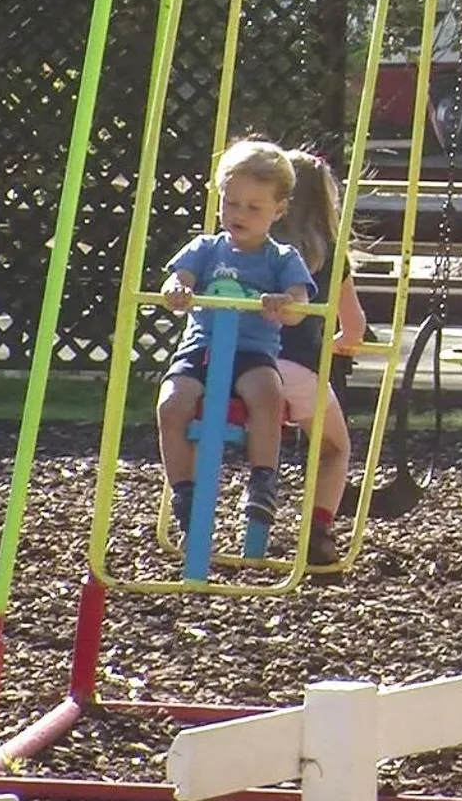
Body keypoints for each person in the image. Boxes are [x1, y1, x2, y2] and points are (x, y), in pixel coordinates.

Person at [157, 139, 315, 556]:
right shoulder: (205, 249)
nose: (239, 215)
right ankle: (185, 494)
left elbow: (301, 304)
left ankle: (263, 478)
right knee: (172, 404)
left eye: (254, 207)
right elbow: (179, 280)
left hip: (252, 352)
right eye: (232, 203)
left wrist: (286, 304)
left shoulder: (281, 258)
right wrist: (177, 289)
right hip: (202, 348)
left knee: (268, 395)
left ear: (278, 211)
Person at [271, 148, 369, 568]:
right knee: (333, 447)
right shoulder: (330, 253)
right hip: (298, 370)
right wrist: (341, 343)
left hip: (243, 366)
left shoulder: (255, 248)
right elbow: (354, 326)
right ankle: (318, 528)